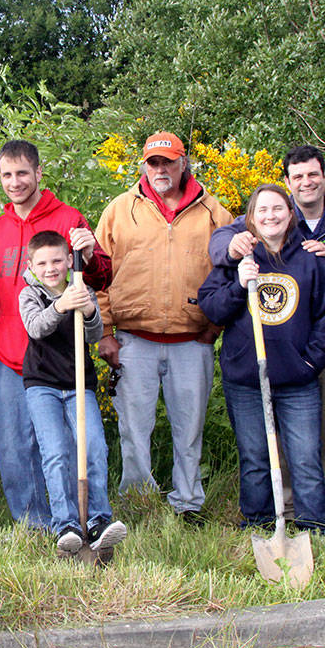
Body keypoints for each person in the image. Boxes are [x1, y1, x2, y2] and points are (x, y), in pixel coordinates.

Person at [208, 144, 325, 529]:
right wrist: (237, 283)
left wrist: (307, 362)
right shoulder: (241, 253)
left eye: (277, 209)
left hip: (300, 377)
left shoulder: (318, 252)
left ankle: (315, 525)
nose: (270, 215)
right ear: (251, 217)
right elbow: (212, 306)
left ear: (290, 212)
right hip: (247, 377)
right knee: (256, 457)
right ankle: (261, 524)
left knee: (306, 455)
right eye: (262, 210)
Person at [94, 132, 234, 520]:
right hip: (133, 340)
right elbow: (98, 275)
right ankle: (138, 500)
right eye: (153, 163)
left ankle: (188, 502)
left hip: (193, 342)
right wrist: (106, 332)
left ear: (183, 163)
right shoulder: (120, 210)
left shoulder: (215, 214)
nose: (161, 169)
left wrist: (214, 327)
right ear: (143, 165)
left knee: (189, 429)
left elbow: (228, 274)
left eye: (168, 162)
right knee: (133, 430)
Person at [0, 139, 112, 531]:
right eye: (7, 174)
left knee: (62, 445)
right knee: (16, 445)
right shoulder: (0, 227)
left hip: (59, 355)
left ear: (38, 173)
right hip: (8, 352)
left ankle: (74, 517)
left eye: (22, 173)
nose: (15, 182)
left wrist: (89, 255)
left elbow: (101, 278)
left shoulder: (69, 218)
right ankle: (34, 523)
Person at [19, 230, 127, 555]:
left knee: (93, 447)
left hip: (80, 383)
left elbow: (93, 335)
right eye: (43, 262)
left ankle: (97, 520)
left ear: (69, 260)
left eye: (56, 260)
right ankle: (64, 523)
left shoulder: (82, 288)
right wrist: (61, 305)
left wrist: (89, 310)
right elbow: (36, 328)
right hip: (42, 385)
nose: (50, 268)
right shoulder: (30, 295)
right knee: (55, 453)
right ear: (32, 265)